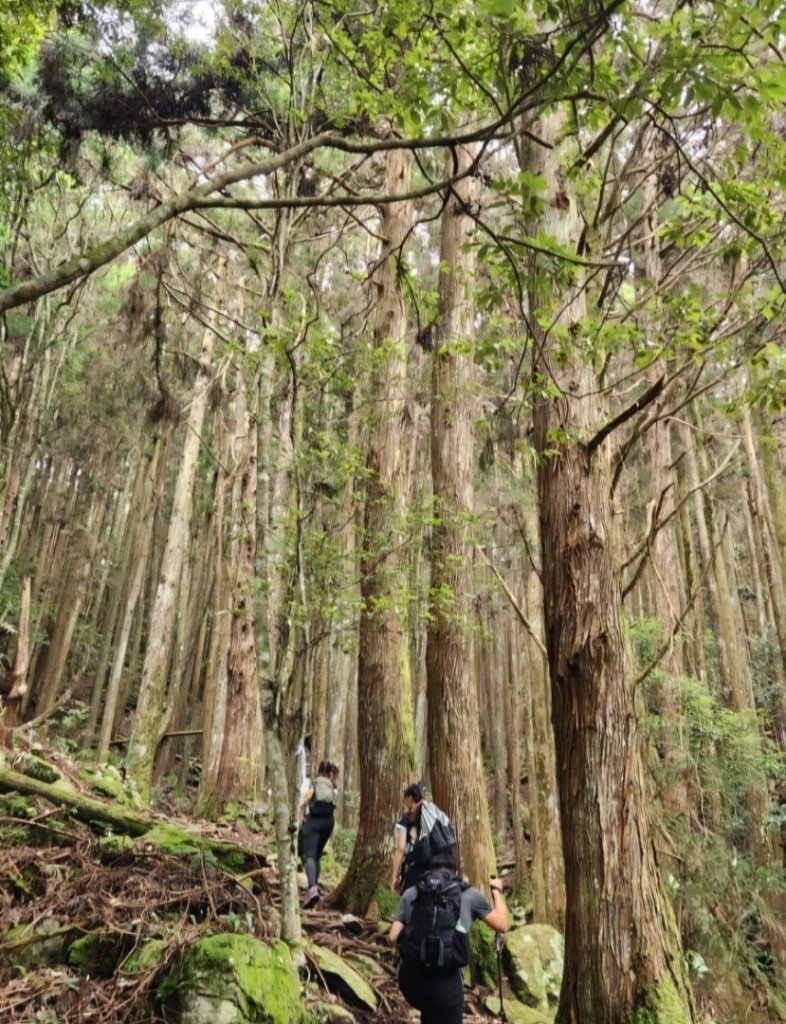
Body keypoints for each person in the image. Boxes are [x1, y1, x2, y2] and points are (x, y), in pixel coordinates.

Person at [389, 872, 508, 1024]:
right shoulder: (469, 895)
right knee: (441, 1006)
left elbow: (393, 937)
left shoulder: (412, 892)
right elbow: (502, 924)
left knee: (430, 1009)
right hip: (445, 990)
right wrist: (497, 891)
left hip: (411, 984)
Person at [391, 783, 455, 894]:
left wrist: (394, 877)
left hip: (417, 870)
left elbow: (400, 848)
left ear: (410, 798)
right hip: (442, 870)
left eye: (406, 800)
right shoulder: (436, 814)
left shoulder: (407, 818)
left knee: (409, 904)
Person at [300, 760, 339, 909]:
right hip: (328, 823)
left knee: (309, 855)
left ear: (318, 769)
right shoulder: (332, 785)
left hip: (314, 821)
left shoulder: (313, 783)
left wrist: (300, 814)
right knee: (316, 855)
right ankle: (314, 888)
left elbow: (305, 801)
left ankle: (312, 889)